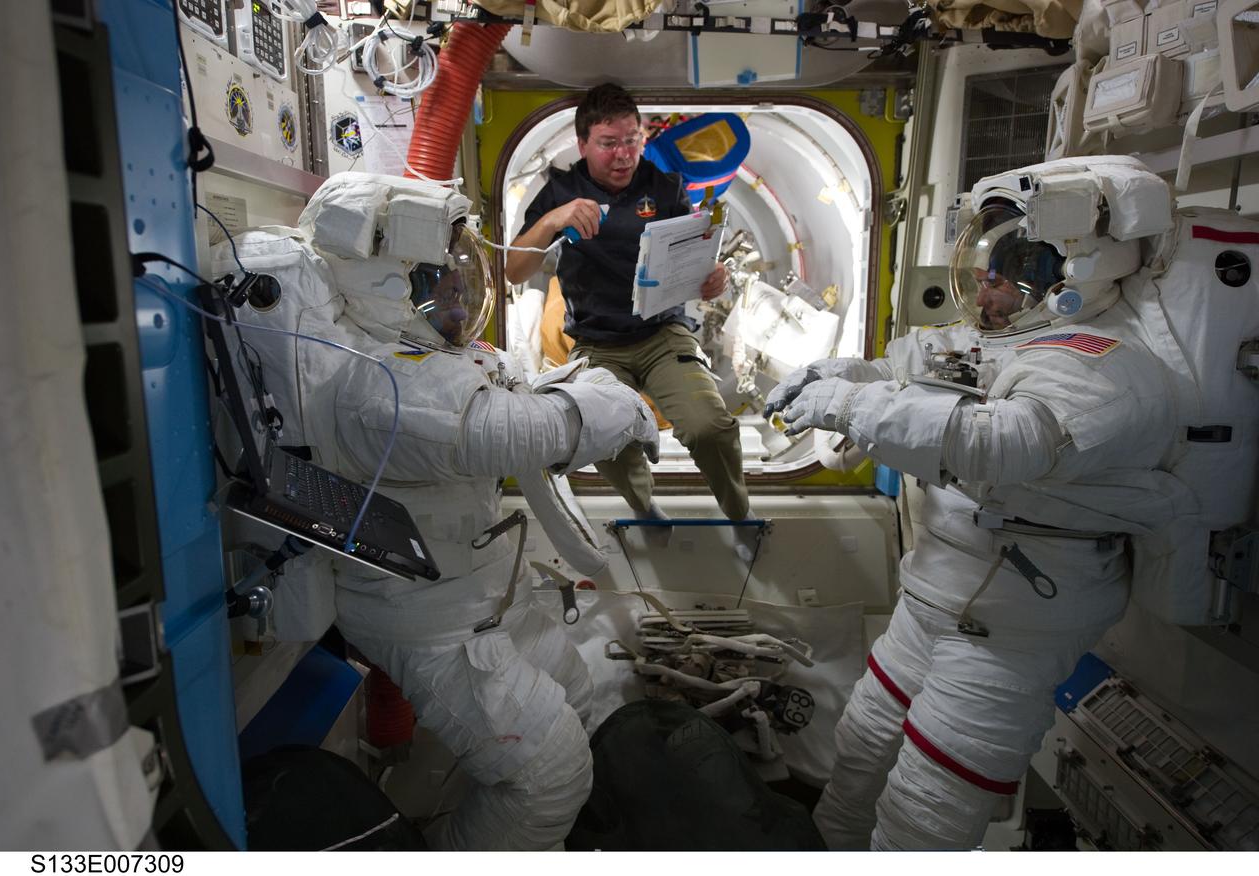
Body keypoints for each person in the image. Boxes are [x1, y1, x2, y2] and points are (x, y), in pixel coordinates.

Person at [215, 172, 660, 850]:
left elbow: (507, 382)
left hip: (482, 593)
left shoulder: (418, 356)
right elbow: (505, 430)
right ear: (387, 286)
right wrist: (614, 405)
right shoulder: (371, 386)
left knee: (576, 689)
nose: (457, 294)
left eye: (461, 276)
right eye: (440, 282)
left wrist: (580, 386)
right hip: (431, 622)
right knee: (549, 775)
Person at [764, 157, 1182, 849]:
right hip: (934, 598)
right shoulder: (991, 342)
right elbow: (901, 373)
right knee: (859, 750)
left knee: (922, 812)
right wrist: (836, 375)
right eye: (981, 273)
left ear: (1055, 281)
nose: (980, 292)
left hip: (1011, 630)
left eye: (997, 278)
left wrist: (847, 405)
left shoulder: (1106, 364)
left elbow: (1002, 442)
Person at [505, 82, 756, 560]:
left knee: (709, 425)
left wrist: (713, 275)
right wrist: (553, 219)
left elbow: (697, 255)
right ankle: (643, 505)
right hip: (598, 343)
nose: (623, 155)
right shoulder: (560, 191)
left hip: (662, 334)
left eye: (631, 140)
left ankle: (740, 514)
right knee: (602, 437)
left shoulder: (664, 187)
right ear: (583, 145)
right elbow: (514, 270)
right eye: (608, 143)